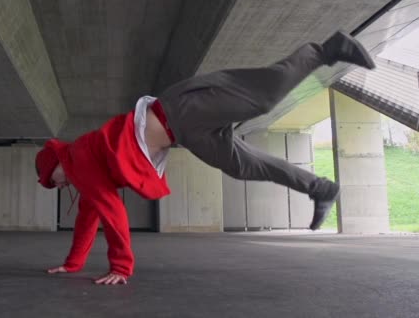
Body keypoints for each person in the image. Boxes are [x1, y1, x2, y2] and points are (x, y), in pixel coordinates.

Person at [35, 30, 376, 285]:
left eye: (54, 181)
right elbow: (88, 217)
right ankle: (319, 188)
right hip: (185, 133)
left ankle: (326, 50)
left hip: (179, 111)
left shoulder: (78, 161)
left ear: (57, 168)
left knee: (262, 100)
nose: (60, 185)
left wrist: (120, 267)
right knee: (241, 165)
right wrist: (73, 263)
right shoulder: (83, 170)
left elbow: (112, 211)